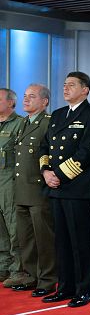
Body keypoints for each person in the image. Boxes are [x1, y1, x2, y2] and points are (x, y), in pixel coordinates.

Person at [39, 72, 90, 307]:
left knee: (81, 242)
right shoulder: (57, 114)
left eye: (72, 85)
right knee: (62, 241)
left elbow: (86, 152)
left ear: (85, 90)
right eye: (65, 84)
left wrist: (59, 174)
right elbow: (45, 146)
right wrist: (46, 172)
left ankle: (84, 290)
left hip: (78, 189)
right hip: (55, 188)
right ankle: (64, 287)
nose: (65, 88)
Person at [11, 85, 57, 296]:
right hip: (21, 190)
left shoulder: (48, 123)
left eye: (32, 96)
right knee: (26, 238)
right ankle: (30, 276)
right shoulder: (23, 123)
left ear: (44, 102)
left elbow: (51, 155)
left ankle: (47, 280)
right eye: (25, 96)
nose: (26, 100)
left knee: (43, 238)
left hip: (38, 190)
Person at [0, 88, 26, 288]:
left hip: (10, 180)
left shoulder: (21, 124)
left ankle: (18, 269)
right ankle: (3, 266)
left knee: (13, 226)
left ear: (11, 102)